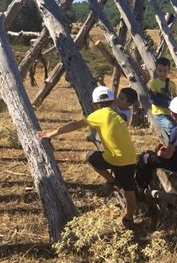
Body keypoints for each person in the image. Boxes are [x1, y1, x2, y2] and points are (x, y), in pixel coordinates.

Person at [37, 86, 138, 229]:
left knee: (89, 156)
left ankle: (111, 180)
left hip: (115, 158)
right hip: (130, 158)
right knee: (129, 190)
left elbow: (75, 125)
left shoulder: (99, 114)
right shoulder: (117, 114)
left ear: (94, 104)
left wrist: (51, 134)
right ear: (113, 101)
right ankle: (129, 218)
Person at [135, 96, 177, 188]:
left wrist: (159, 152)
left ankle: (141, 185)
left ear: (172, 114)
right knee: (150, 154)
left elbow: (167, 155)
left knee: (145, 157)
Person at [149, 57, 177, 136]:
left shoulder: (172, 84)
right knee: (171, 128)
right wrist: (166, 103)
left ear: (169, 70)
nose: (162, 73)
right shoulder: (154, 83)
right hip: (159, 113)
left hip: (170, 113)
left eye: (165, 71)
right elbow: (152, 99)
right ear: (156, 70)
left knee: (175, 128)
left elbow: (175, 97)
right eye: (160, 71)